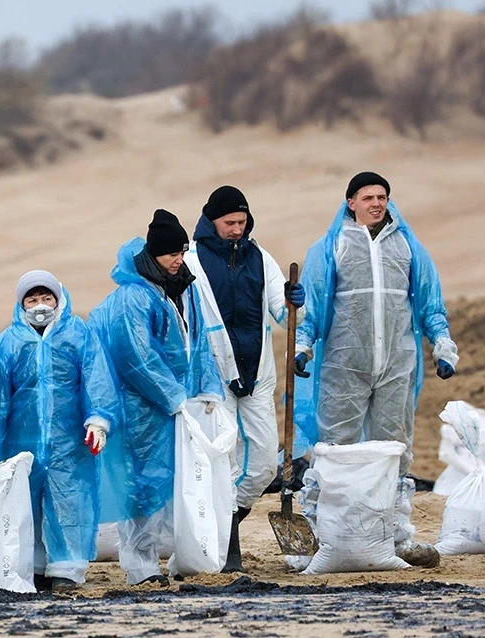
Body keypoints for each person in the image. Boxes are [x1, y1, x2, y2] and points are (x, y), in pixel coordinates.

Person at [293, 172, 456, 567]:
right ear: (350, 202)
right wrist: (303, 346)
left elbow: (431, 303)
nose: (376, 203)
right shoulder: (330, 247)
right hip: (344, 365)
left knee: (394, 450)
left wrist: (443, 346)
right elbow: (312, 305)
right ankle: (320, 536)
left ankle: (395, 537)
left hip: (397, 364)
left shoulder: (407, 247)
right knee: (334, 451)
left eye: (382, 196)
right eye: (367, 197)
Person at [89, 210, 231, 585]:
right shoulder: (135, 298)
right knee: (143, 484)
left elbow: (198, 345)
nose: (177, 259)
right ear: (154, 255)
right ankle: (140, 565)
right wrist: (172, 396)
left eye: (182, 252)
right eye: (170, 253)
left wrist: (209, 388)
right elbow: (136, 356)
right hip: (143, 411)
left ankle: (176, 556)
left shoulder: (184, 290)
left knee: (174, 482)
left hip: (178, 407)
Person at [0, 270, 121, 592]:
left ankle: (67, 567)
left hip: (70, 444)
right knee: (24, 504)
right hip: (22, 443)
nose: (40, 304)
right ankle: (31, 565)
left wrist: (98, 421)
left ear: (58, 299)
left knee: (70, 501)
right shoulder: (8, 342)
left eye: (46, 297)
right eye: (32, 299)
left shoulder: (79, 335)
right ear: (21, 304)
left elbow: (97, 378)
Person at [185, 186, 305, 571]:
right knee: (224, 461)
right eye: (229, 222)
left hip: (257, 373)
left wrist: (292, 302)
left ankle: (228, 521)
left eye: (242, 222)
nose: (237, 229)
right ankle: (228, 550)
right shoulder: (193, 261)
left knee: (265, 464)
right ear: (212, 221)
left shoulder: (259, 258)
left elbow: (281, 314)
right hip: (212, 377)